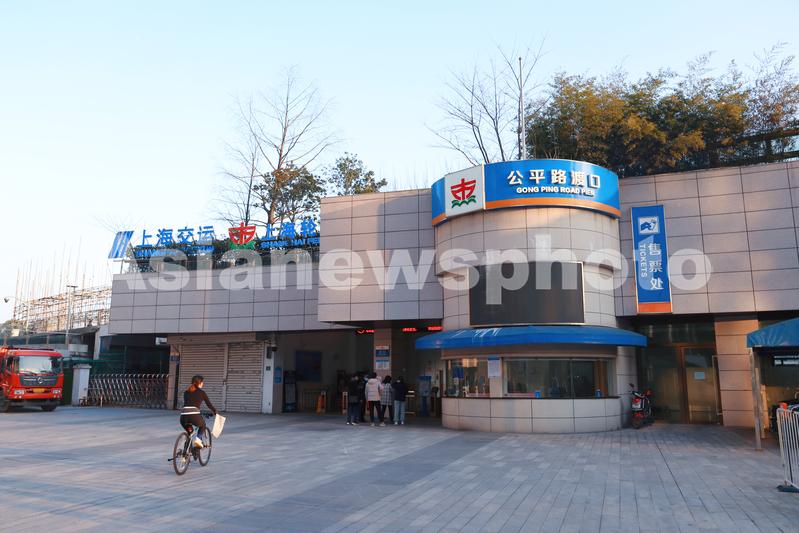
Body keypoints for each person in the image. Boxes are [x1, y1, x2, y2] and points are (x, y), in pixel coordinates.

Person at [180, 375, 218, 448]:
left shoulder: (186, 392)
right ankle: (198, 439)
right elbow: (209, 404)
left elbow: (189, 404)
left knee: (190, 432)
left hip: (183, 417)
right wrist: (215, 411)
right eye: (202, 382)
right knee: (203, 425)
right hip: (194, 416)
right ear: (199, 383)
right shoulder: (202, 392)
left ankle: (186, 451)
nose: (203, 384)